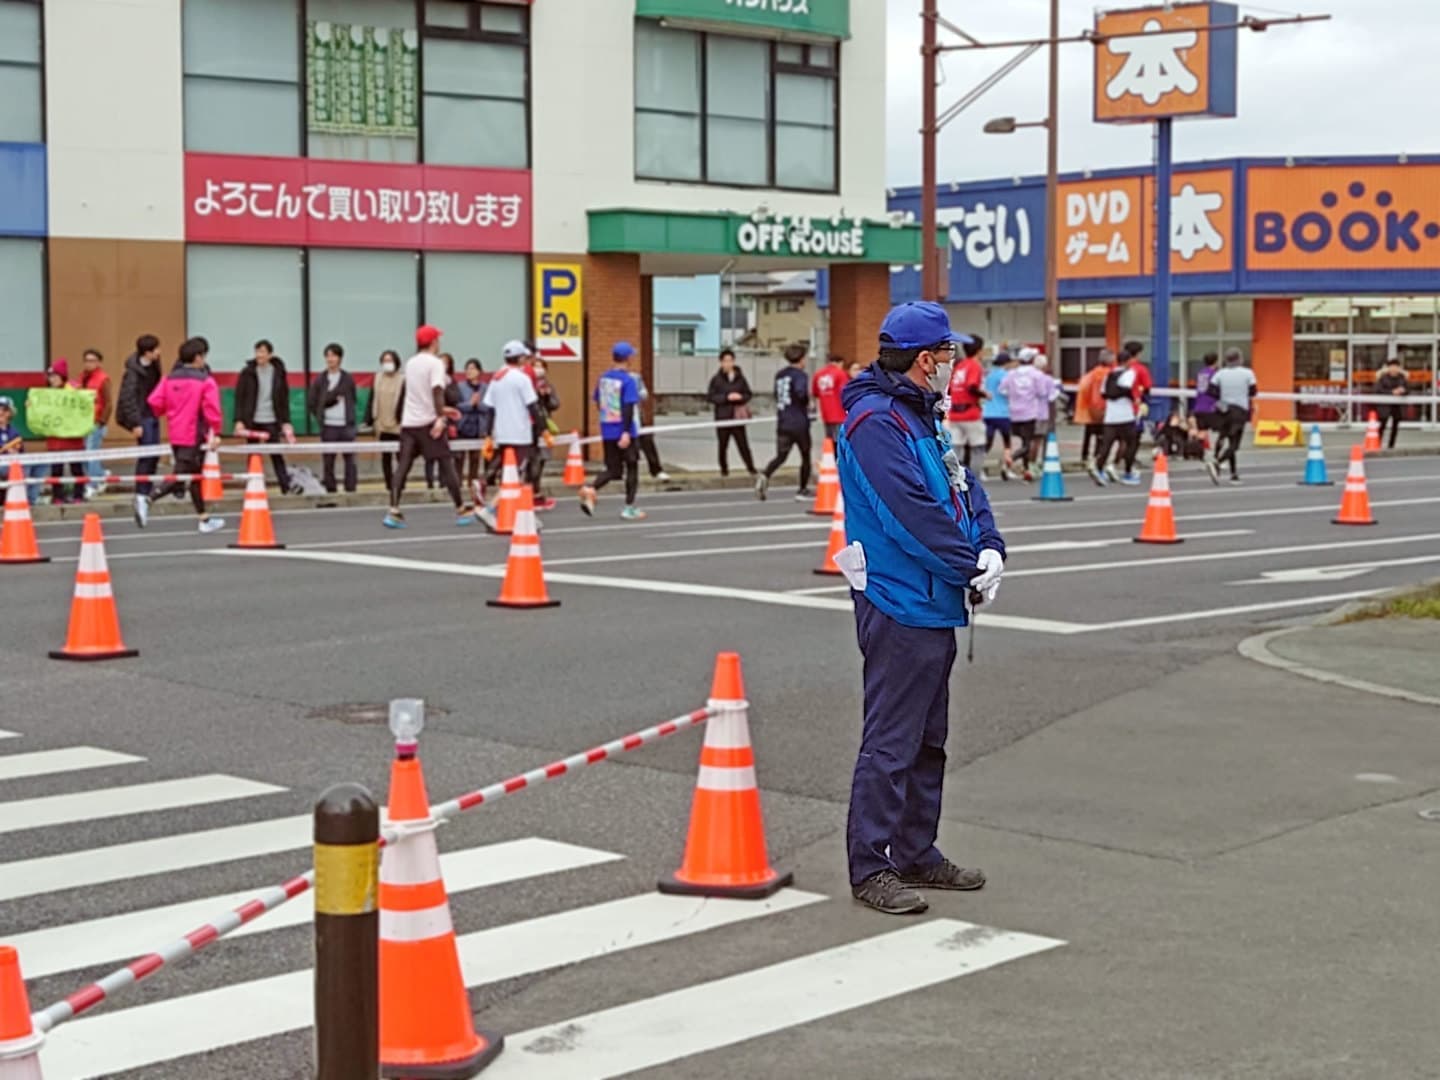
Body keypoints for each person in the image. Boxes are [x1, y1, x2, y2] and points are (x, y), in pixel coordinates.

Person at [835, 301, 1005, 915]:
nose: (955, 363)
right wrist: (968, 565)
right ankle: (871, 865)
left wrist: (990, 544)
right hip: (899, 600)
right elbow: (908, 513)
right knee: (891, 741)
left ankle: (914, 851)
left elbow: (964, 486)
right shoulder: (875, 423)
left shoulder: (919, 414)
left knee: (928, 740)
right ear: (927, 359)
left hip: (932, 600)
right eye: (950, 353)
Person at [384, 326, 476, 529]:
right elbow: (436, 392)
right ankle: (460, 509)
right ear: (434, 342)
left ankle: (393, 510)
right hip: (428, 423)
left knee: (403, 466)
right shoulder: (435, 364)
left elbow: (418, 393)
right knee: (446, 463)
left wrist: (444, 410)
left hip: (409, 423)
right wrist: (441, 417)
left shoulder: (410, 363)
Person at [146, 337, 225, 533]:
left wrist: (172, 410)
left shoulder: (169, 378)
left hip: (176, 432)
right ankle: (148, 498)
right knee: (181, 475)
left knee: (195, 476)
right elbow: (212, 408)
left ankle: (204, 518)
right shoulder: (205, 381)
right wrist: (216, 432)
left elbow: (155, 402)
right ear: (198, 357)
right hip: (194, 433)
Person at [478, 340, 541, 530]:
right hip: (520, 434)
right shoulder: (522, 379)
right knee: (514, 478)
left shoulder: (497, 378)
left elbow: (489, 408)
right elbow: (533, 406)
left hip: (502, 434)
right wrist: (543, 429)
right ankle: (489, 509)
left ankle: (526, 515)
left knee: (513, 476)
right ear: (520, 358)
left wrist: (488, 434)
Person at [580, 341, 645, 521]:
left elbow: (598, 401)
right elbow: (628, 407)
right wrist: (626, 431)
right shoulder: (627, 380)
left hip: (607, 428)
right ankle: (629, 507)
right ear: (628, 358)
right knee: (632, 467)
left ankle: (591, 488)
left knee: (614, 469)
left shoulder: (604, 379)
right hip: (624, 430)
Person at [233, 339, 296, 497]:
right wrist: (239, 420)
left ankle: (285, 486)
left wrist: (286, 421)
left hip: (271, 419)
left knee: (276, 453)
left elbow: (283, 399)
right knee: (253, 454)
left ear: (270, 354)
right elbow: (240, 397)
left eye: (262, 352)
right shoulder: (247, 372)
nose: (259, 355)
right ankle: (253, 486)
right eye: (257, 351)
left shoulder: (278, 372)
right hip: (253, 419)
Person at [117, 334, 164, 526]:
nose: (159, 352)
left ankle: (147, 488)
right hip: (142, 416)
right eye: (156, 349)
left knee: (154, 453)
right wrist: (135, 423)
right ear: (147, 352)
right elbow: (127, 399)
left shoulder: (155, 365)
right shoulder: (133, 373)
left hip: (152, 413)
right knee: (146, 454)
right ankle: (140, 492)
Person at [757, 343, 813, 501]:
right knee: (805, 455)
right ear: (801, 359)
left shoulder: (780, 375)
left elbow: (777, 395)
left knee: (781, 456)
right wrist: (808, 403)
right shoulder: (800, 375)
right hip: (799, 421)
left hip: (783, 420)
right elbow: (801, 393)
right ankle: (802, 489)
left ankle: (766, 473)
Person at [998, 348, 1055, 482]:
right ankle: (1010, 460)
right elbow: (1042, 393)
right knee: (1028, 444)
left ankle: (1026, 469)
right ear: (1031, 360)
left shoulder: (1012, 374)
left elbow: (1002, 390)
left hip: (1014, 412)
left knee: (1024, 441)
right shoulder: (1036, 374)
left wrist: (1014, 396)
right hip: (1030, 412)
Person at [307, 343, 357, 494]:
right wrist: (323, 412)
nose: (330, 359)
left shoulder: (347, 379)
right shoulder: (320, 379)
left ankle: (350, 489)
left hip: (346, 426)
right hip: (328, 426)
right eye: (328, 355)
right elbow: (313, 402)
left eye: (334, 355)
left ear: (340, 358)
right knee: (328, 461)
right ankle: (330, 490)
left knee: (350, 460)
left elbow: (353, 399)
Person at [1207, 347, 1257, 485]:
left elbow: (1210, 391)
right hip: (1240, 411)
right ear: (1239, 359)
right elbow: (1253, 391)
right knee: (1234, 445)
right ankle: (1217, 463)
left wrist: (1222, 398)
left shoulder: (1220, 373)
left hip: (1224, 410)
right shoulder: (1248, 373)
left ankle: (1233, 473)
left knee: (1227, 439)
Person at [39, 360, 86, 505]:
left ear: (62, 376)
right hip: (55, 438)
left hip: (73, 438)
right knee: (56, 469)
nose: (52, 379)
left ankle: (78, 495)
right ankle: (57, 496)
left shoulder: (73, 390)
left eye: (55, 376)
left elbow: (84, 405)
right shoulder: (46, 395)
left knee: (76, 468)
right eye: (50, 376)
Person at [1090, 352, 1140, 486]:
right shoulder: (1129, 373)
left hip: (1110, 416)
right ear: (1128, 361)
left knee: (1107, 444)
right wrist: (1132, 398)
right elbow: (1127, 388)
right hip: (1126, 415)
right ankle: (1128, 471)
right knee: (1131, 443)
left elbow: (1103, 393)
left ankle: (1099, 468)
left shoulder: (1109, 375)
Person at [706, 348, 757, 477]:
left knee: (743, 444)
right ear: (721, 362)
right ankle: (724, 469)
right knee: (723, 445)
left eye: (730, 360)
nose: (728, 363)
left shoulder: (740, 378)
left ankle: (751, 468)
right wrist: (726, 397)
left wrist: (740, 397)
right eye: (725, 361)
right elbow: (711, 397)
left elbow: (748, 394)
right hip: (723, 417)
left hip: (737, 416)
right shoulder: (716, 379)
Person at [364, 349, 405, 492]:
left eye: (390, 360)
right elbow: (372, 399)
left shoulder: (403, 379)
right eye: (385, 361)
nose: (387, 363)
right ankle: (389, 484)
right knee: (385, 457)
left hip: (398, 425)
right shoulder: (377, 378)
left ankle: (400, 483)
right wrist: (369, 420)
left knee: (401, 457)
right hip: (382, 424)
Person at [944, 335, 987, 471]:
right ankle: (975, 480)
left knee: (956, 450)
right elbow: (971, 386)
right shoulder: (974, 365)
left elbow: (950, 389)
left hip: (955, 414)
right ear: (979, 350)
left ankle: (956, 479)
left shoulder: (959, 366)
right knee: (978, 449)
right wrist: (985, 394)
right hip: (970, 414)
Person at [455, 358, 490, 500]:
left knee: (475, 459)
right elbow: (457, 405)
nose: (469, 371)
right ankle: (457, 486)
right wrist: (470, 404)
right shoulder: (460, 387)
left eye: (473, 368)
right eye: (467, 368)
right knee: (459, 458)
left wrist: (477, 404)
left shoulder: (485, 388)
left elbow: (489, 407)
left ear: (479, 371)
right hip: (463, 425)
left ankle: (473, 487)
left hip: (479, 427)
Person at [79, 348, 112, 498]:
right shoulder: (82, 378)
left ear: (98, 362)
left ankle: (93, 484)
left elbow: (108, 402)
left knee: (91, 453)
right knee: (86, 453)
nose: (89, 363)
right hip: (83, 422)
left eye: (92, 361)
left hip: (96, 422)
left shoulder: (103, 379)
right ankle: (100, 475)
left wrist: (102, 421)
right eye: (86, 360)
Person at [528, 355, 561, 508]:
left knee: (542, 460)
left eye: (541, 366)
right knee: (532, 461)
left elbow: (555, 404)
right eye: (535, 366)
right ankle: (532, 492)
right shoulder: (527, 384)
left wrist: (547, 397)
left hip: (545, 425)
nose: (538, 369)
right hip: (532, 426)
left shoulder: (548, 386)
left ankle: (536, 491)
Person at [428, 353, 461, 490]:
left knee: (444, 455)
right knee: (429, 455)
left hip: (446, 422)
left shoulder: (451, 382)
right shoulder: (429, 380)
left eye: (445, 363)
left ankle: (444, 482)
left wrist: (444, 387)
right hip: (430, 420)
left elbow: (454, 399)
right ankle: (430, 484)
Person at [981, 351, 1015, 480]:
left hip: (988, 412)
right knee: (1007, 443)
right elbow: (1009, 392)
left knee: (987, 442)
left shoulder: (989, 375)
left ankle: (980, 468)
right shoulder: (1006, 375)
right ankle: (1006, 468)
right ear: (1006, 363)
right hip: (1003, 413)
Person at [1074, 351, 1111, 467]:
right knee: (1101, 434)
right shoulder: (1108, 374)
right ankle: (1097, 455)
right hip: (1103, 407)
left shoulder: (1091, 374)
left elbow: (1083, 388)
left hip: (1090, 407)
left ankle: (1085, 456)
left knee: (1088, 433)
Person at [812, 352, 850, 441]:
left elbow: (815, 393)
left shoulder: (818, 374)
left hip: (826, 414)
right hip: (839, 413)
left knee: (829, 439)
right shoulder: (840, 373)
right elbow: (846, 392)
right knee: (840, 440)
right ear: (840, 363)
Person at [1373, 356, 1408, 449]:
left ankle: (1391, 445)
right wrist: (1391, 392)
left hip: (1397, 406)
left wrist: (1402, 391)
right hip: (1385, 406)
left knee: (1395, 427)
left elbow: (1408, 389)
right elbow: (1378, 390)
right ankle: (1377, 444)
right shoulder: (1383, 378)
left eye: (1396, 366)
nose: (1394, 369)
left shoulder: (1402, 378)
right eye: (1392, 366)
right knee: (1382, 425)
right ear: (1388, 368)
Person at [1192, 352, 1221, 447]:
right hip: (1210, 406)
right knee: (1221, 428)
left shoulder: (1201, 373)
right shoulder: (1215, 374)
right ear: (1215, 362)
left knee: (1201, 431)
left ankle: (1196, 448)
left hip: (1199, 406)